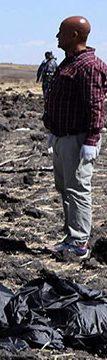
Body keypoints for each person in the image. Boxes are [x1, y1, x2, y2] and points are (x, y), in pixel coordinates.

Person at [42, 16, 107, 259]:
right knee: (66, 189)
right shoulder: (69, 63)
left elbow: (95, 106)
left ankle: (79, 243)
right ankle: (71, 236)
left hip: (78, 140)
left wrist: (91, 140)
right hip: (62, 137)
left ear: (75, 35)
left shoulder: (88, 66)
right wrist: (53, 131)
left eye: (61, 32)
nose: (57, 36)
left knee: (78, 189)